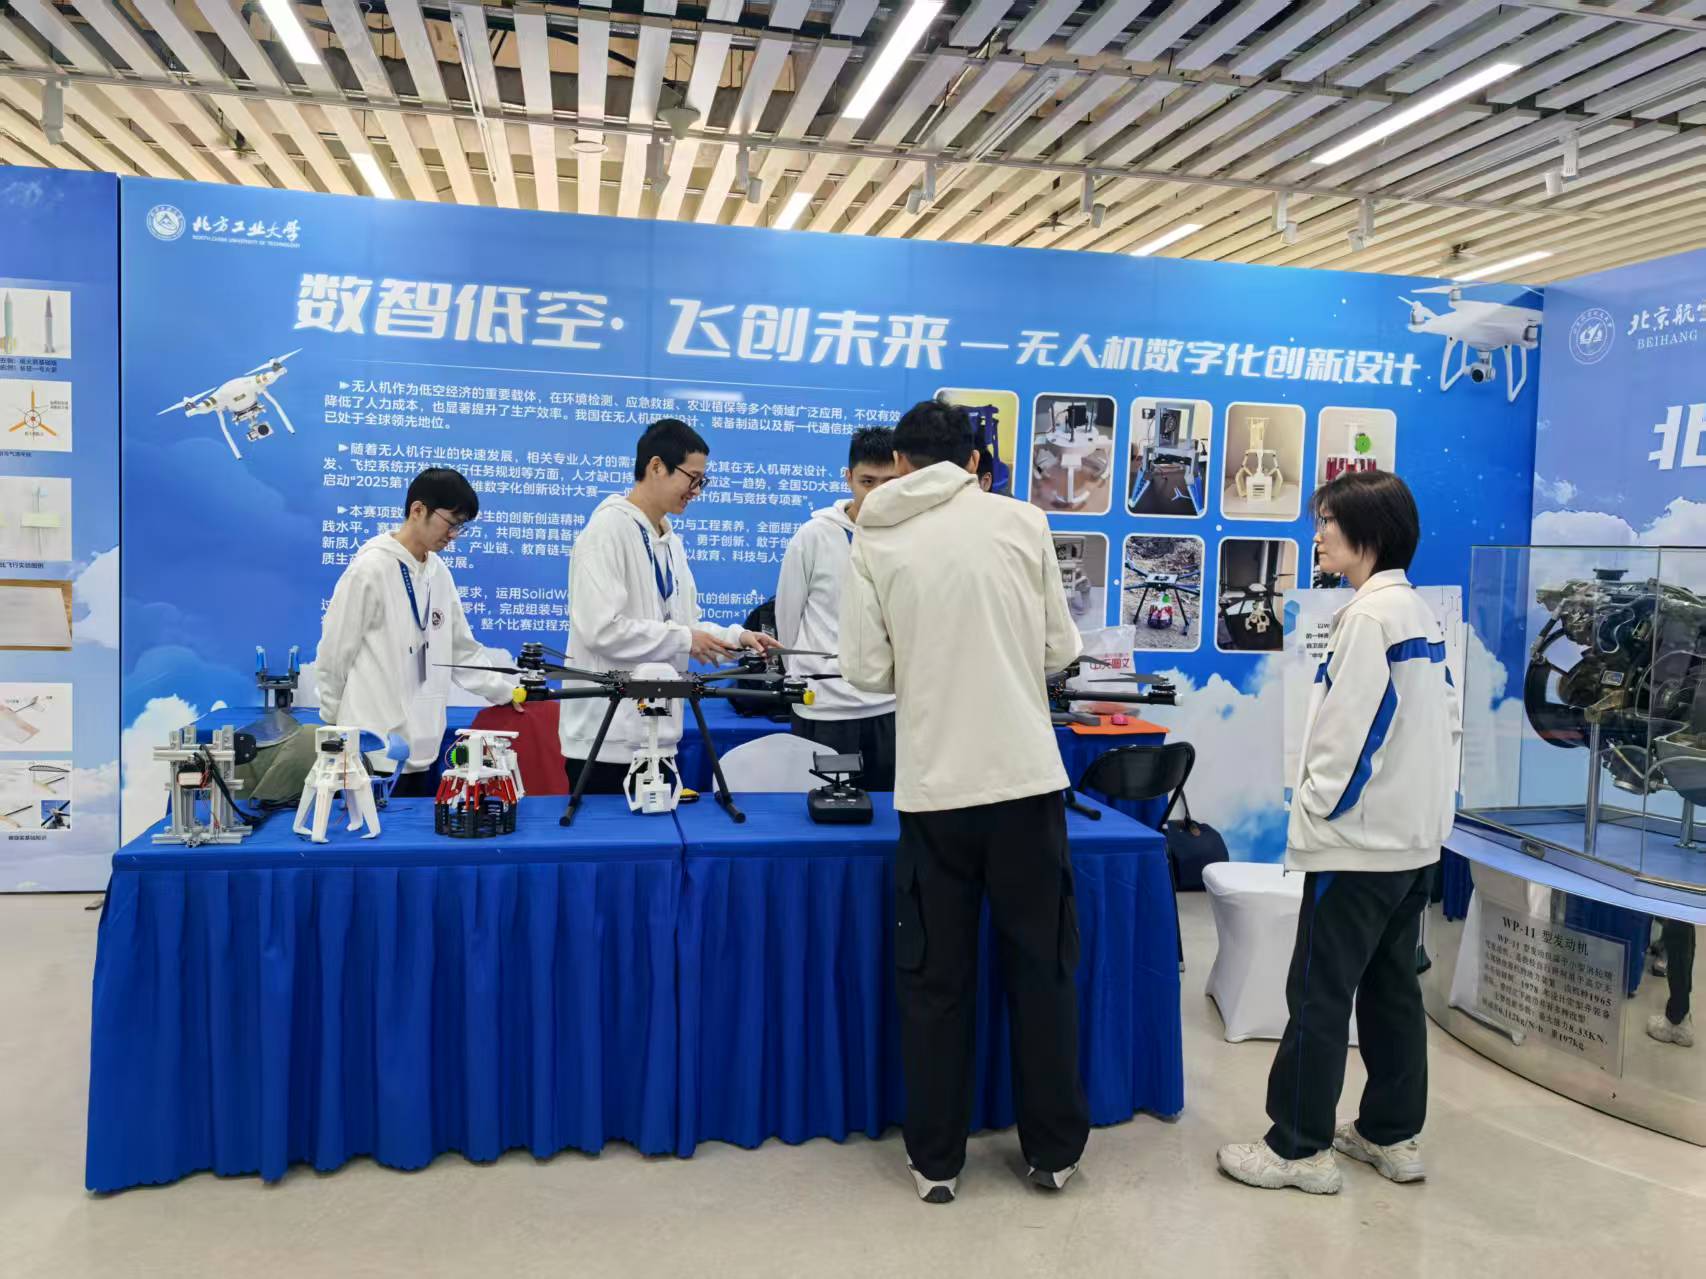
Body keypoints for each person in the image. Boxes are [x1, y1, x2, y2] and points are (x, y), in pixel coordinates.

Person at [839, 398, 1086, 1205]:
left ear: (899, 463)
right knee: (1042, 970)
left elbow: (866, 673)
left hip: (935, 790)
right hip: (1026, 782)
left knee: (935, 980)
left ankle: (937, 1162)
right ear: (974, 461)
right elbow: (1061, 648)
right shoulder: (1023, 522)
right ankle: (1053, 1153)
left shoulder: (874, 536)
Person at [1219, 470, 1460, 1195]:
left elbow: (1347, 735)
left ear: (1370, 533)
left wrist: (1318, 810)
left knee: (1319, 994)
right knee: (1391, 991)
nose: (1318, 535)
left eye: (1328, 521)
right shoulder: (1416, 613)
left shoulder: (1368, 619)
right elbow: (1442, 726)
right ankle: (1391, 1133)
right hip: (1411, 843)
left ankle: (1297, 1147)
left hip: (1358, 846)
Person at [560, 418, 777, 793]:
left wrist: (738, 638)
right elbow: (602, 630)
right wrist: (685, 639)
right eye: (692, 478)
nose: (696, 491)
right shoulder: (605, 532)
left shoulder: (670, 542)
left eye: (702, 481)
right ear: (657, 466)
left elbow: (686, 624)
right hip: (605, 739)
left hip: (657, 734)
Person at [315, 467, 517, 797]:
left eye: (461, 527)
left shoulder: (439, 573)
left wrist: (505, 692)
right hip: (370, 754)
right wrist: (338, 727)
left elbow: (461, 650)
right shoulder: (370, 569)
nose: (453, 535)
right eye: (451, 522)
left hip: (424, 749)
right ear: (418, 510)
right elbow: (334, 655)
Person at [775, 427, 898, 790]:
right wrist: (801, 674)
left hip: (887, 705)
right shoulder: (814, 535)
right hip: (825, 705)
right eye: (867, 481)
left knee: (885, 812)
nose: (876, 493)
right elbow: (788, 615)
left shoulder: (908, 536)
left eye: (888, 482)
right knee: (822, 811)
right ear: (848, 477)